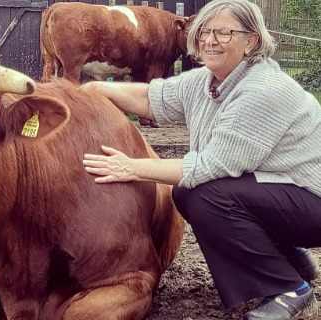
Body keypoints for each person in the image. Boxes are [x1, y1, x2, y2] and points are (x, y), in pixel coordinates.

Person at [80, 0, 321, 319]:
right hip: (279, 192)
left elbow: (209, 168)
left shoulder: (263, 90)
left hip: (311, 200)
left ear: (251, 41)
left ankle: (290, 289)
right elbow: (152, 100)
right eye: (205, 31)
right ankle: (287, 256)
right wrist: (95, 89)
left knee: (209, 196)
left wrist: (130, 167)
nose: (210, 39)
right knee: (188, 193)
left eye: (223, 32)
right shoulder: (208, 80)